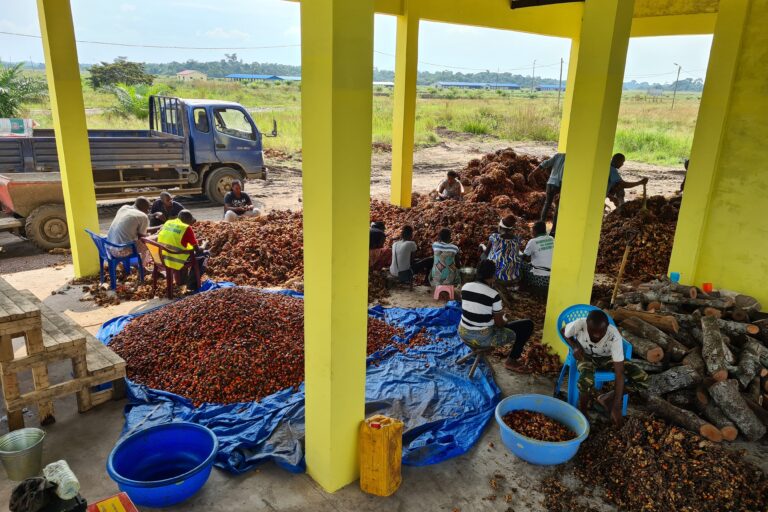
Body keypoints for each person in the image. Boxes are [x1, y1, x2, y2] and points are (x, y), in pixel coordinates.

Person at [561, 309, 648, 426]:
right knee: (585, 379)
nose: (596, 335)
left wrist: (616, 406)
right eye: (593, 331)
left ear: (607, 326)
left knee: (643, 379)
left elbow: (619, 373)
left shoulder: (614, 335)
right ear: (586, 325)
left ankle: (608, 397)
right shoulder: (579, 324)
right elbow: (564, 331)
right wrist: (575, 346)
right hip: (585, 356)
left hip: (607, 358)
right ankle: (583, 410)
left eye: (601, 331)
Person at [458, 259, 535, 373]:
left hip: (463, 333)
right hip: (482, 338)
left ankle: (476, 347)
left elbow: (474, 309)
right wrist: (504, 319)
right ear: (493, 276)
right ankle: (511, 361)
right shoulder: (493, 295)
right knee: (527, 325)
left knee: (485, 322)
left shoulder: (465, 287)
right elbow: (499, 324)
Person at [156, 210, 209, 291]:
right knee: (204, 254)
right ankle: (192, 284)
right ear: (188, 220)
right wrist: (204, 244)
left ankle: (182, 280)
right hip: (175, 259)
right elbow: (198, 250)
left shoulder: (168, 222)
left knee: (188, 252)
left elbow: (175, 240)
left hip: (162, 257)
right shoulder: (186, 228)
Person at [482, 215, 522, 299]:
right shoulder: (517, 239)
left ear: (500, 227)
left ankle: (484, 280)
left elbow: (486, 253)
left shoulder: (494, 237)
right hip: (512, 276)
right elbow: (515, 253)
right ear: (511, 229)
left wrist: (481, 246)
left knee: (483, 258)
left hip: (497, 276)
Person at [106, 197, 152, 262]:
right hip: (120, 252)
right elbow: (142, 238)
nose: (148, 211)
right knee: (149, 242)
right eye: (148, 208)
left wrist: (158, 227)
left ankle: (138, 263)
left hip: (109, 248)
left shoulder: (124, 208)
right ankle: (143, 266)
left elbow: (133, 229)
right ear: (145, 208)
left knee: (146, 237)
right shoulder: (143, 216)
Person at [521, 221, 554, 297]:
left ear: (535, 231)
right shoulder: (551, 238)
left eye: (532, 230)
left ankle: (524, 286)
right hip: (552, 277)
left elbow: (524, 257)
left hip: (540, 279)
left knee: (519, 263)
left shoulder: (533, 241)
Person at [536, 152, 565, 237]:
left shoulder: (558, 155)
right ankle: (553, 231)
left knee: (547, 204)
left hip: (550, 183)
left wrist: (533, 172)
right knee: (557, 207)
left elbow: (546, 163)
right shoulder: (572, 160)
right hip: (560, 185)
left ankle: (540, 227)